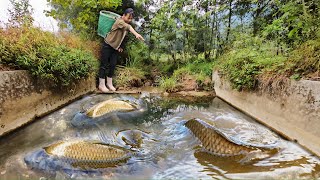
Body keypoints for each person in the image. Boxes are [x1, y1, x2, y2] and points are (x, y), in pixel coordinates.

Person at [98, 8, 145, 93]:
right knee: (104, 64)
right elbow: (128, 27)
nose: (129, 20)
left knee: (112, 65)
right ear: (123, 15)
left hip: (115, 48)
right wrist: (136, 34)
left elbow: (123, 37)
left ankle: (109, 84)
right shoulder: (119, 21)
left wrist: (121, 46)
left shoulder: (125, 23)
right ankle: (101, 85)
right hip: (107, 45)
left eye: (131, 19)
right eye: (128, 18)